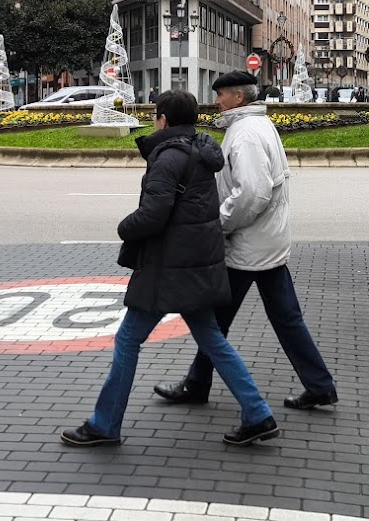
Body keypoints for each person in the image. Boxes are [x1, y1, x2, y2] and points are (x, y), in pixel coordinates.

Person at [63, 90, 280, 448]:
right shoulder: (202, 151)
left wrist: (124, 227)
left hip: (168, 266)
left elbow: (154, 214)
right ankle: (257, 414)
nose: (152, 121)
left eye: (154, 115)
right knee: (213, 340)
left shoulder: (168, 157)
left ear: (163, 118)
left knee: (128, 340)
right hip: (197, 262)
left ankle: (104, 424)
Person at [154, 72, 338, 412]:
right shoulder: (257, 126)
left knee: (215, 322)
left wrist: (219, 225)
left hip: (247, 244)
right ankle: (320, 385)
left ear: (238, 97)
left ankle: (199, 385)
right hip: (266, 241)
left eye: (221, 94)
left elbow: (252, 194)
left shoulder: (246, 135)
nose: (217, 100)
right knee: (284, 319)